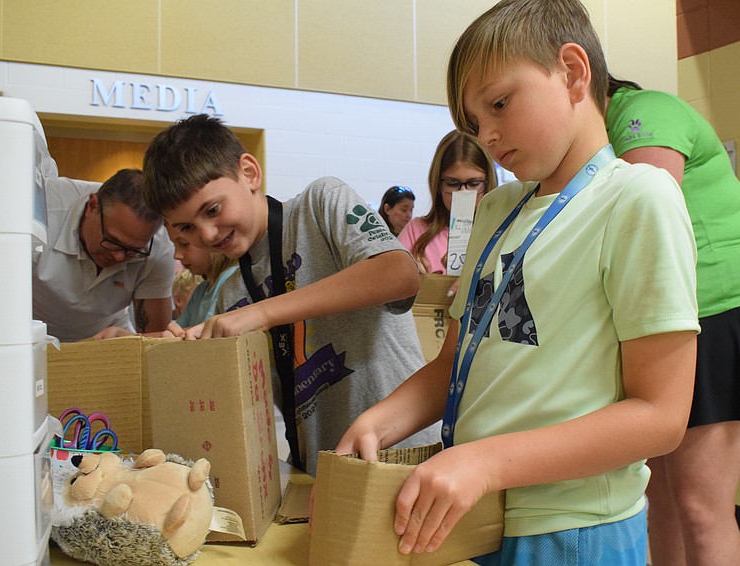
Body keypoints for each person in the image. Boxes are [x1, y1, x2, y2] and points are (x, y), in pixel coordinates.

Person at [334, 0, 701, 563]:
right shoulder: (495, 209)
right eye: (475, 124)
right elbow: (454, 363)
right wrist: (379, 421)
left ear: (574, 73)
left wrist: (482, 461)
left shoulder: (637, 197)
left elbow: (661, 416)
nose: (490, 135)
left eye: (500, 104)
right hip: (478, 510)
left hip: (572, 526)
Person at [141, 114, 441, 476]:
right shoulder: (230, 292)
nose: (206, 234)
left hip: (402, 455)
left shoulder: (320, 204)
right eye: (186, 228)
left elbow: (400, 274)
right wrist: (184, 354)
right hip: (323, 470)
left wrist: (263, 313)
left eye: (213, 209)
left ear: (249, 172)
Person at [606, 75, 740, 566]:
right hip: (668, 323)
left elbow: (643, 223)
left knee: (701, 508)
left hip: (718, 311)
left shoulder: (643, 113)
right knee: (663, 503)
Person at [33, 168, 175, 342]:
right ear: (92, 206)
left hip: (106, 337)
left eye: (132, 250)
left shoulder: (158, 248)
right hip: (31, 334)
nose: (119, 257)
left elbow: (156, 341)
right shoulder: (41, 210)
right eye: (112, 241)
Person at [398, 131, 497, 274]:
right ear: (438, 184)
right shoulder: (416, 231)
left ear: (488, 183)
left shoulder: (502, 231)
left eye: (474, 183)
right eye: (452, 183)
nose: (463, 193)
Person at [168, 226, 239, 328]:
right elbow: (180, 330)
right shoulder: (200, 291)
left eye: (184, 244)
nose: (176, 255)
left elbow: (206, 333)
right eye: (175, 246)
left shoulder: (229, 279)